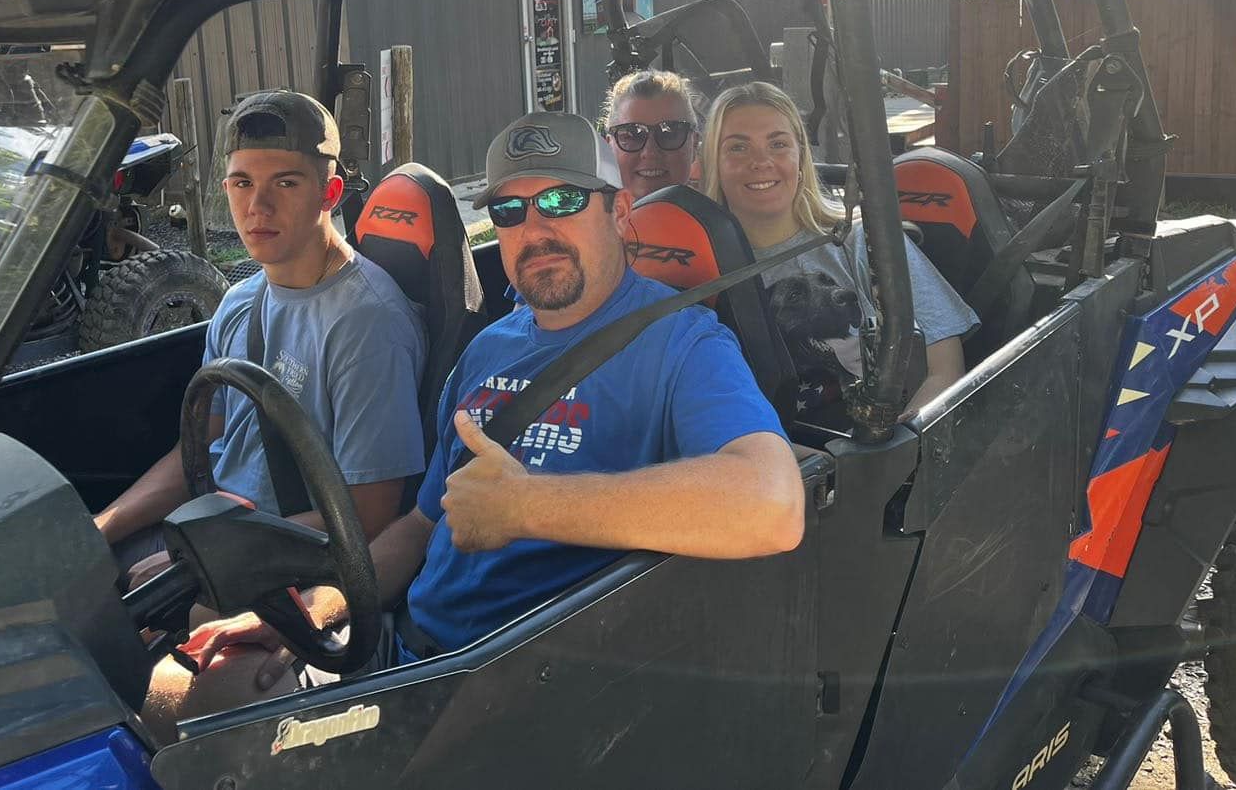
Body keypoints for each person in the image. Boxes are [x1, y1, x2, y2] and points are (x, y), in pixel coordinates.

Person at [159, 110, 804, 720]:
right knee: (195, 676)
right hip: (404, 648)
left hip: (520, 686)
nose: (536, 228)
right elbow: (419, 525)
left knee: (200, 704)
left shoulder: (683, 344)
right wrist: (309, 611)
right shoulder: (488, 348)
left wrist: (527, 507)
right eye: (510, 210)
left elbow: (773, 504)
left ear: (620, 211)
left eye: (561, 200)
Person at [94, 90, 427, 584]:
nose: (258, 206)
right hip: (216, 529)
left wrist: (203, 562)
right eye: (242, 183)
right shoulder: (239, 302)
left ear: (329, 194)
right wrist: (102, 528)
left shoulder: (366, 326)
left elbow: (370, 514)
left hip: (291, 561)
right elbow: (202, 447)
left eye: (285, 183)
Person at [702, 81, 976, 417]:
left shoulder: (865, 240)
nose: (761, 162)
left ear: (801, 157)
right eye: (738, 148)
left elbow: (944, 367)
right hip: (769, 459)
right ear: (712, 161)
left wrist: (896, 452)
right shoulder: (700, 267)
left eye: (778, 144)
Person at [599, 69, 704, 199]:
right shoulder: (586, 217)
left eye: (669, 133)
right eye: (632, 136)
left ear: (694, 144)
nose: (650, 152)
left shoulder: (716, 218)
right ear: (609, 149)